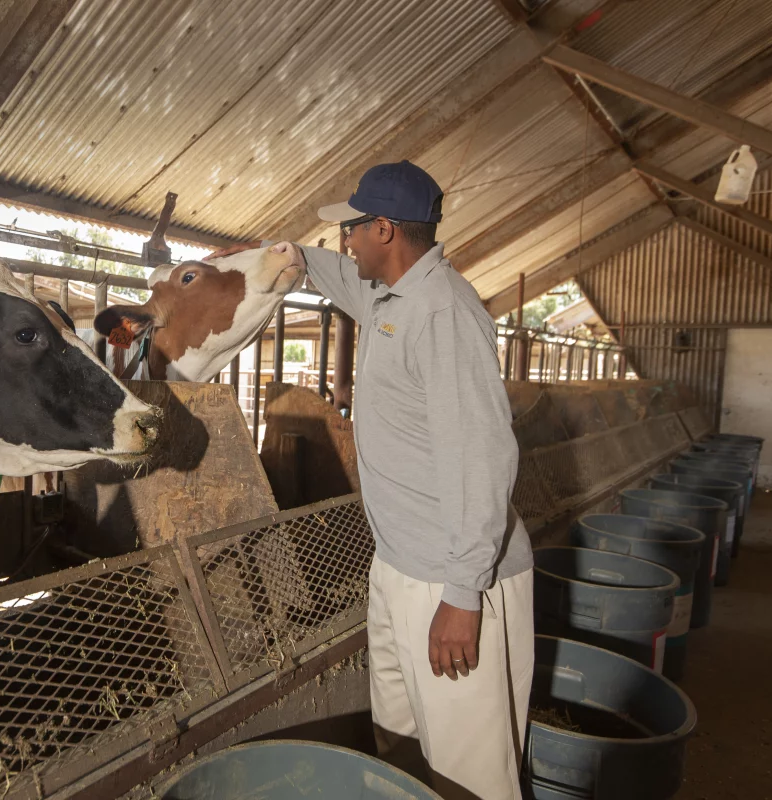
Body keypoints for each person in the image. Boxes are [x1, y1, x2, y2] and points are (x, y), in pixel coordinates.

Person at [207, 161, 533, 800]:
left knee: (469, 772)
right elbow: (331, 274)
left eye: (351, 230)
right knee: (400, 740)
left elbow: (482, 457)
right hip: (401, 564)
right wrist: (284, 256)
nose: (343, 242)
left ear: (384, 230)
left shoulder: (442, 316)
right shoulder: (389, 294)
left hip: (453, 576)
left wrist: (464, 596)